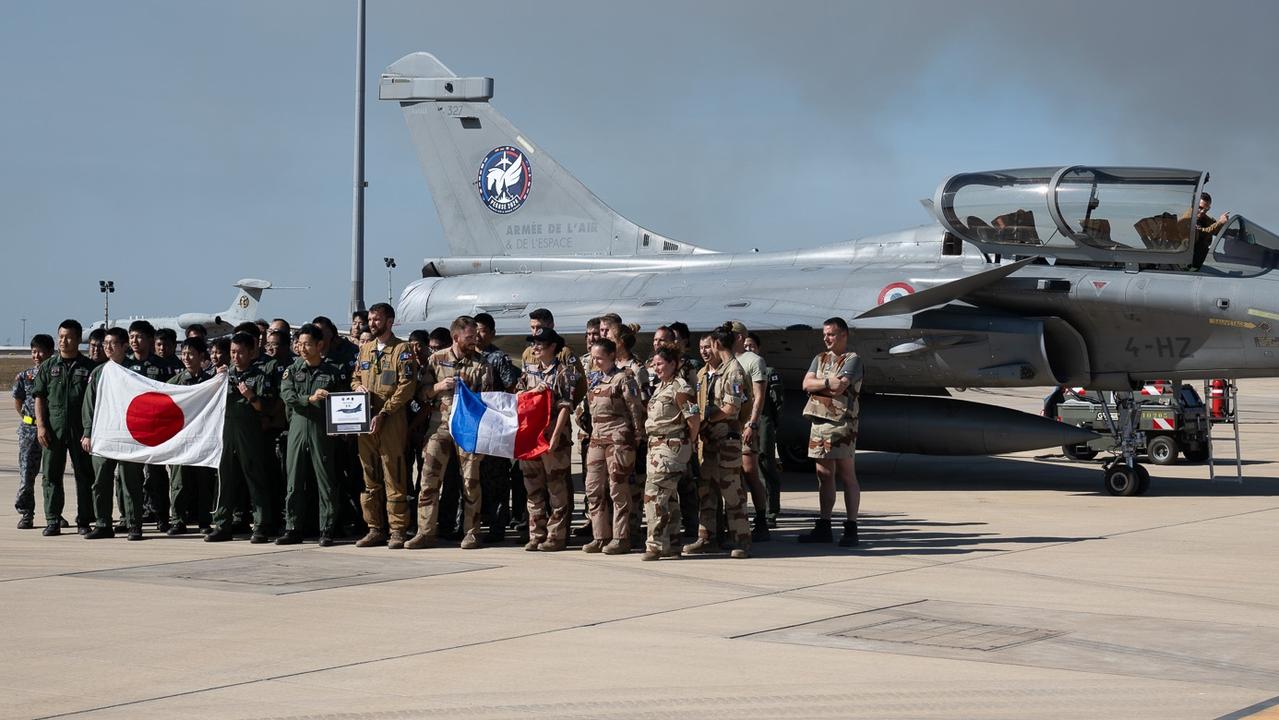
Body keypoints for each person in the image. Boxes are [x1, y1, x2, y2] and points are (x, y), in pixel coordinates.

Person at [406, 315, 492, 550]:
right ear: (456, 337)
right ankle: (425, 531)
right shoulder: (437, 359)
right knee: (429, 479)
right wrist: (437, 387)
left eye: (475, 335)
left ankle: (472, 532)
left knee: (470, 481)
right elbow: (420, 392)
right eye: (470, 336)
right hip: (440, 427)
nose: (475, 339)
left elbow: (487, 397)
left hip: (468, 428)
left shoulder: (481, 363)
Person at [349, 303, 418, 549]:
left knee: (394, 474)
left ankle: (398, 529)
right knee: (369, 476)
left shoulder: (403, 350)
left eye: (377, 319)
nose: (372, 323)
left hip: (391, 421)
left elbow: (407, 386)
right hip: (365, 421)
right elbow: (356, 376)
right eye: (370, 319)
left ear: (389, 321)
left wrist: (385, 412)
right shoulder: (365, 350)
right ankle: (375, 527)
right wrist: (357, 387)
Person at [277, 324, 349, 547]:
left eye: (308, 344)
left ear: (320, 345)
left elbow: (344, 400)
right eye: (300, 344)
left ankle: (327, 528)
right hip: (298, 425)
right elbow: (287, 395)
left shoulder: (333, 371)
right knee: (294, 479)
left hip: (321, 427)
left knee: (325, 479)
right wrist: (309, 398)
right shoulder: (292, 369)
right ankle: (292, 527)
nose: (303, 348)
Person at [684, 324, 752, 559]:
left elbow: (733, 407)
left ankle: (741, 539)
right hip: (709, 439)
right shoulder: (706, 373)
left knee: (732, 491)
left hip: (726, 438)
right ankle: (707, 537)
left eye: (708, 345)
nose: (705, 350)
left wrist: (709, 416)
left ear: (717, 344)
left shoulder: (733, 371)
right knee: (707, 489)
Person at [205, 332, 277, 543]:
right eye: (233, 352)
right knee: (224, 479)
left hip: (250, 433)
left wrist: (251, 396)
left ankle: (262, 525)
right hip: (226, 433)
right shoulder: (222, 376)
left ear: (251, 352)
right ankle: (222, 524)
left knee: (255, 479)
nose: (236, 357)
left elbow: (267, 408)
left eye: (240, 352)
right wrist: (216, 380)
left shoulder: (260, 376)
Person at [798, 317, 863, 546]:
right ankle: (824, 526)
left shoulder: (852, 360)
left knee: (847, 476)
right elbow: (806, 384)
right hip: (819, 424)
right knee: (823, 476)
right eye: (825, 334)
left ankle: (851, 527)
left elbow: (840, 387)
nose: (826, 338)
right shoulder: (820, 358)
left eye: (831, 334)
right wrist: (827, 382)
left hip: (841, 424)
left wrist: (821, 383)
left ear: (843, 335)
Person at [81, 327, 148, 540]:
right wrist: (87, 433)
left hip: (128, 435)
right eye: (105, 344)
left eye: (113, 344)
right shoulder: (98, 372)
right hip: (103, 434)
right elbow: (89, 406)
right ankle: (102, 524)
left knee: (131, 481)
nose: (107, 347)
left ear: (124, 346)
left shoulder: (135, 371)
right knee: (101, 481)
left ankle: (134, 524)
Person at [515, 327, 578, 551]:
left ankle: (557, 535)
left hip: (553, 438)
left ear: (553, 346)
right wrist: (533, 392)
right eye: (533, 342)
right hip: (531, 438)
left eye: (540, 343)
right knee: (532, 488)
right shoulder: (529, 371)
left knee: (556, 488)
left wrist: (556, 436)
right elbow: (518, 397)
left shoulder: (564, 372)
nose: (535, 346)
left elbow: (565, 407)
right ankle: (536, 533)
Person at [32, 319, 96, 535]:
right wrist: (41, 426)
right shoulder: (48, 367)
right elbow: (39, 397)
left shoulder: (90, 368)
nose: (63, 341)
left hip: (81, 430)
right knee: (51, 475)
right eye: (60, 337)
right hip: (53, 429)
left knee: (85, 475)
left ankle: (85, 519)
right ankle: (53, 519)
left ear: (79, 339)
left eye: (68, 337)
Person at [582, 337, 646, 554]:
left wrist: (637, 435)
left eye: (600, 358)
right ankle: (600, 536)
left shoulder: (624, 379)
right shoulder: (595, 380)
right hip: (597, 439)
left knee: (618, 489)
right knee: (593, 489)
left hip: (619, 439)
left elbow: (635, 408)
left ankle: (621, 537)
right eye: (594, 358)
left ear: (611, 356)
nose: (596, 362)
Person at [642, 346, 699, 560]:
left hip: (671, 446)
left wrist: (689, 444)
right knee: (668, 498)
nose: (656, 368)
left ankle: (655, 545)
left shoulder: (681, 388)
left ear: (673, 364)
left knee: (653, 495)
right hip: (656, 447)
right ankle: (673, 543)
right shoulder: (660, 387)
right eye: (654, 364)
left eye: (660, 364)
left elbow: (693, 420)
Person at [474, 312, 523, 543]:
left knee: (497, 480)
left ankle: (497, 525)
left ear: (492, 333)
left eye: (482, 330)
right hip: (474, 428)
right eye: (474, 330)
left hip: (494, 428)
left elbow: (511, 389)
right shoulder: (468, 357)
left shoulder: (498, 358)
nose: (477, 334)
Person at [125, 320, 177, 532]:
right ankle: (132, 520)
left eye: (139, 337)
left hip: (157, 431)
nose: (134, 342)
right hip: (132, 430)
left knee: (157, 476)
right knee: (130, 477)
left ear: (149, 339)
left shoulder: (163, 366)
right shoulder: (123, 367)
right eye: (131, 337)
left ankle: (162, 516)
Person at [165, 337, 216, 535]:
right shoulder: (175, 382)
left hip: (203, 439)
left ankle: (204, 520)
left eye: (191, 353)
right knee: (179, 482)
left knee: (204, 482)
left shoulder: (211, 382)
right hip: (181, 439)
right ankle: (178, 520)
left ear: (202, 356)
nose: (186, 357)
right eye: (183, 353)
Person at [729, 321, 769, 541]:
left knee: (750, 471)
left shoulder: (753, 361)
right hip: (728, 424)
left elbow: (759, 395)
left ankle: (761, 519)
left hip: (746, 423)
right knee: (733, 475)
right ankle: (739, 519)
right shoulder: (726, 361)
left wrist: (752, 423)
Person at [12, 334, 54, 529]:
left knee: (51, 474)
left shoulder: (55, 374)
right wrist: (30, 421)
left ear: (50, 353)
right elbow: (18, 402)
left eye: (41, 351)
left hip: (52, 429)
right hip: (29, 429)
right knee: (27, 473)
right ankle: (26, 513)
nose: (37, 355)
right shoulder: (24, 376)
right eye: (34, 351)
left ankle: (54, 513)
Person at [746, 332, 784, 528]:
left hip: (763, 421)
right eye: (745, 345)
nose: (748, 349)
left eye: (751, 346)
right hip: (745, 422)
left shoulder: (768, 372)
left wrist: (771, 425)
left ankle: (771, 511)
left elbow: (777, 402)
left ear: (758, 349)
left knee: (765, 465)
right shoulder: (740, 368)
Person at [1188, 191, 1230, 270]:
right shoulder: (1187, 219)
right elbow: (1203, 232)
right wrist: (1220, 222)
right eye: (1200, 208)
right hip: (1191, 261)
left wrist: (1233, 231)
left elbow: (1215, 228)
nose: (1203, 211)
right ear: (1193, 205)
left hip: (1203, 256)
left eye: (1206, 209)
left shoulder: (1204, 218)